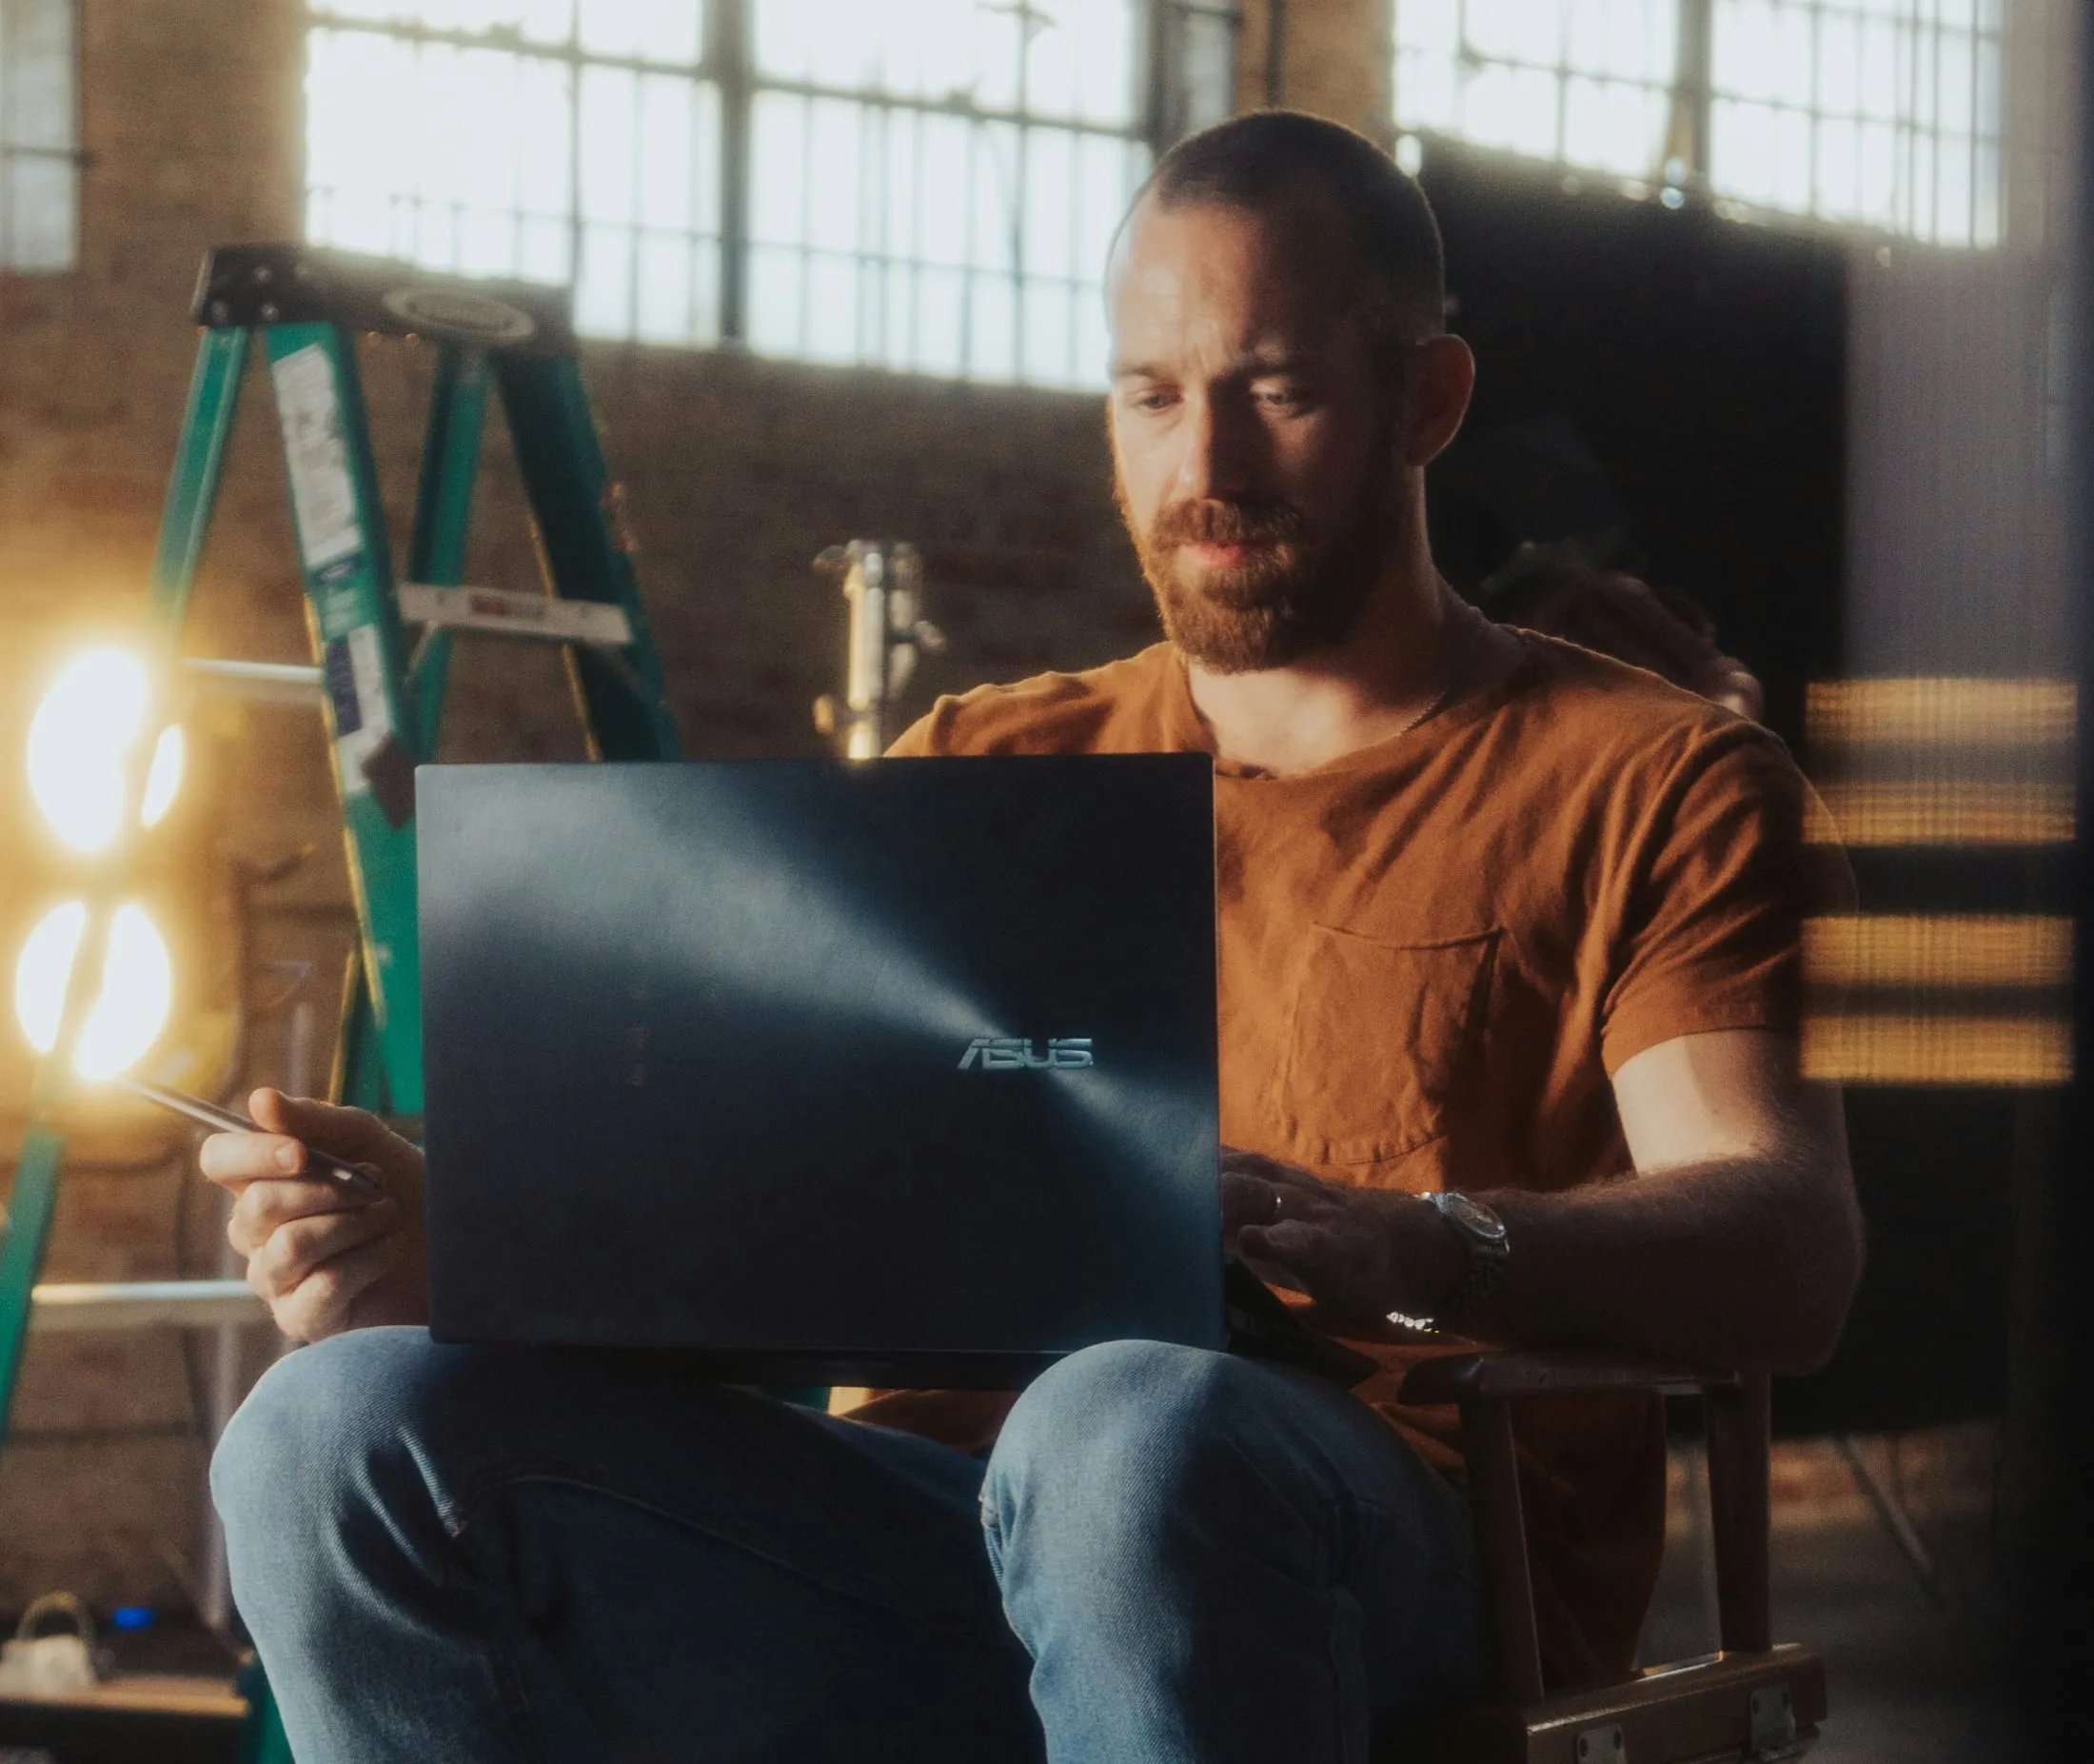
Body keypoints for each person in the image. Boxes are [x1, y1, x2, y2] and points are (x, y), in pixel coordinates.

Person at [204, 112, 1863, 1764]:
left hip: (1371, 1547)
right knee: (333, 1428)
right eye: (1152, 399)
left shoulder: (1656, 778)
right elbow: (792, 1206)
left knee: (1126, 1417)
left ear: (1427, 400)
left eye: (1273, 390)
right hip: (927, 1545)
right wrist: (475, 1252)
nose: (1203, 470)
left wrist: (1434, 1245)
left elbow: (1786, 1245)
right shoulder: (983, 765)